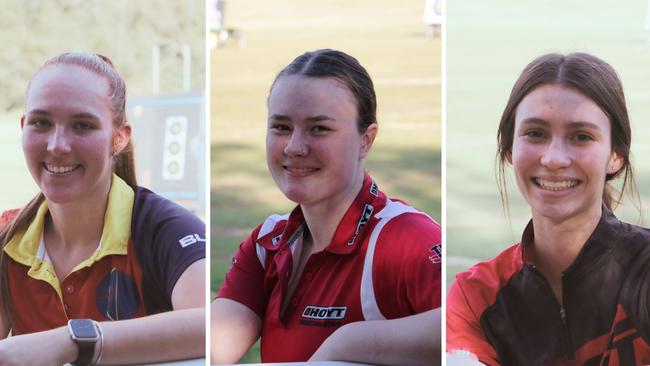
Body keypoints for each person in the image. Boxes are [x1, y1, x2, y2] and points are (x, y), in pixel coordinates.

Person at [211, 49, 441, 365]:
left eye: (319, 128)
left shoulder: (403, 238)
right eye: (281, 127)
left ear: (366, 140)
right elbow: (212, 347)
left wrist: (351, 344)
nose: (294, 147)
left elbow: (470, 322)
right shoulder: (268, 243)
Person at [0, 53, 206, 365]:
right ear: (23, 126)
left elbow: (209, 324)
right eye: (41, 122)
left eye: (82, 125)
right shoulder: (7, 237)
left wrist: (73, 341)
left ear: (119, 137)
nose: (57, 145)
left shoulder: (165, 228)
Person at [446, 52, 650, 365]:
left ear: (616, 155)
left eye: (581, 136)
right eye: (536, 133)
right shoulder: (476, 297)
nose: (554, 158)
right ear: (509, 149)